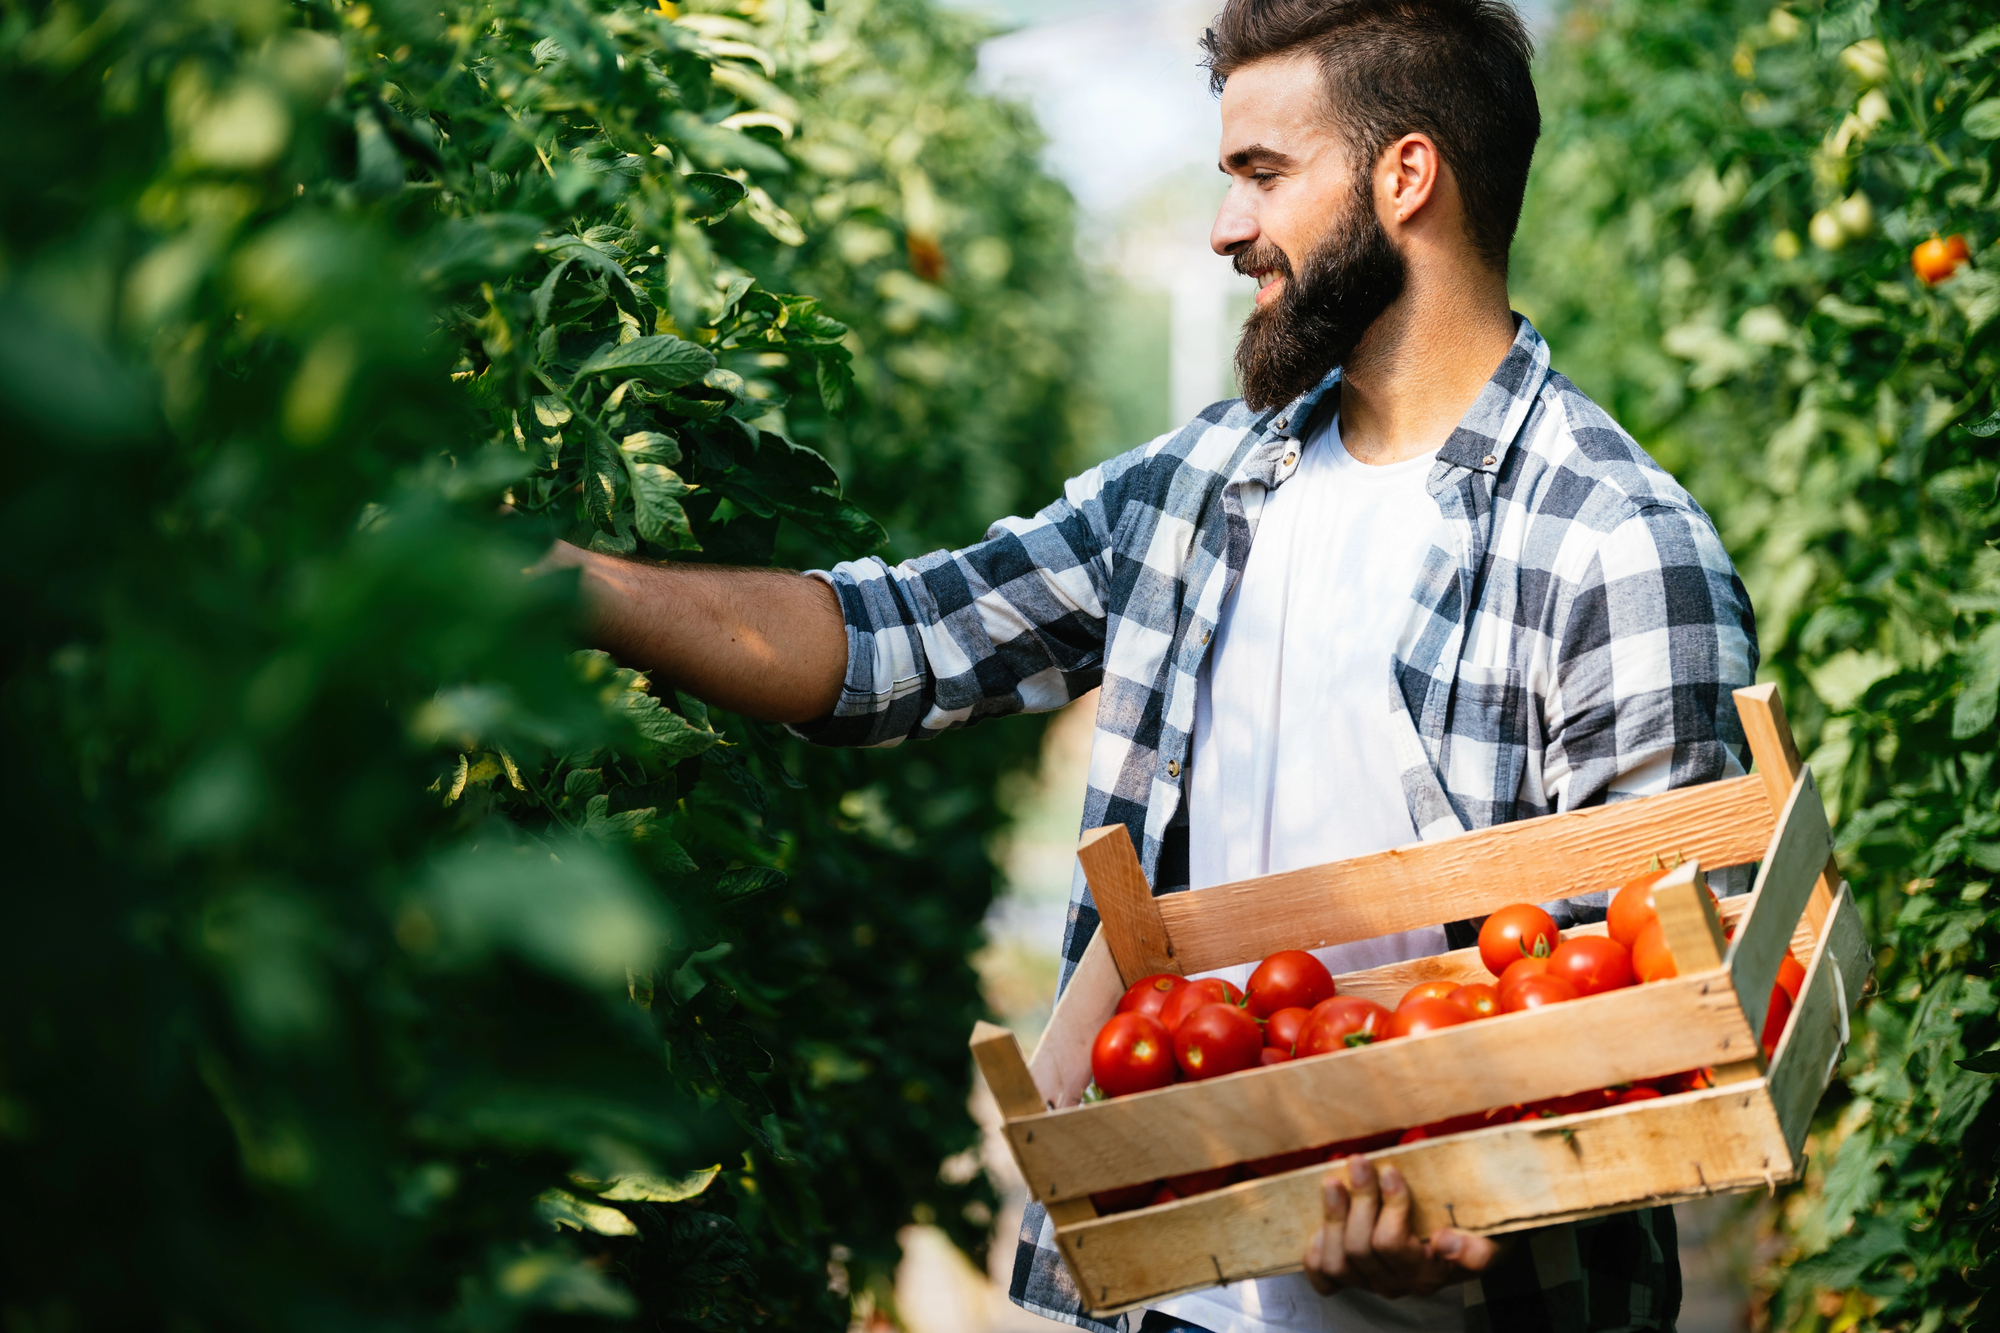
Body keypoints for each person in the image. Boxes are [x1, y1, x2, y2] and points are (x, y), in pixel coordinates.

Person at [541, 0, 1757, 1328]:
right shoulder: (1196, 490)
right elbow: (898, 641)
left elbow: (1665, 1019)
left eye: (1263, 174)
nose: (1228, 228)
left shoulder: (1612, 547)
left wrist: (1476, 1207)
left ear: (1407, 178)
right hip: (1160, 1299)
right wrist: (575, 591)